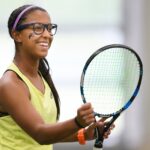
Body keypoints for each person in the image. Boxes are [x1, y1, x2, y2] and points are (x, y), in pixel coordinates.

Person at [0, 4, 114, 150]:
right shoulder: (10, 84)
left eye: (49, 28)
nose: (47, 35)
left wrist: (84, 134)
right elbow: (40, 133)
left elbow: (48, 130)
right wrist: (77, 122)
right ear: (16, 35)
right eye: (37, 28)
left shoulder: (42, 77)